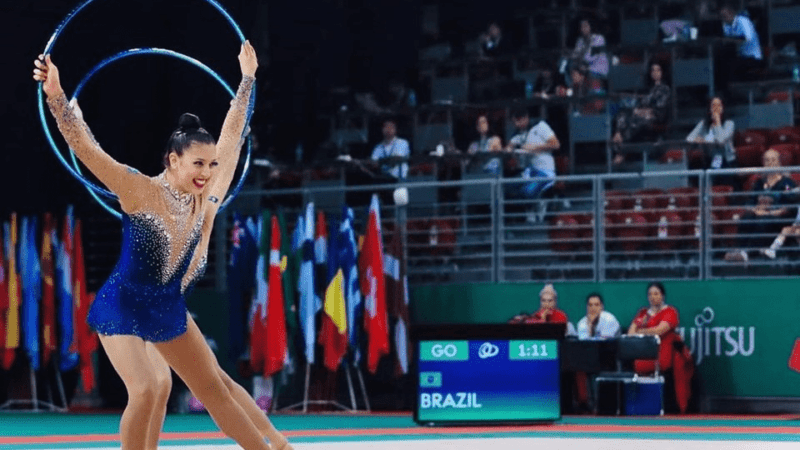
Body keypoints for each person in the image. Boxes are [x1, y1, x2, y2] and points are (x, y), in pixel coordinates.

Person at [34, 44, 292, 450]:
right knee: (148, 388)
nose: (207, 173)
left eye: (211, 166)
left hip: (166, 305)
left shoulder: (205, 199)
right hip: (122, 303)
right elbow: (87, 151)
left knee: (215, 391)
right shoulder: (140, 191)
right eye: (197, 165)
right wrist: (56, 96)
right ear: (172, 160)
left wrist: (246, 80)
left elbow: (232, 136)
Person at [628, 282, 693, 413]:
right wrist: (642, 330)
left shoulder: (670, 311)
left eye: (656, 293)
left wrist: (641, 331)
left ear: (662, 296)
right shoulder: (643, 313)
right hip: (642, 355)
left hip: (663, 355)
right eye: (650, 294)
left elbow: (660, 330)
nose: (653, 297)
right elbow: (630, 333)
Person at [725, 149, 798, 262]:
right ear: (763, 163)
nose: (770, 163)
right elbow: (750, 201)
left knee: (764, 220)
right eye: (767, 160)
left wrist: (770, 211)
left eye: (773, 160)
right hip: (760, 214)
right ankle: (738, 250)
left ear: (779, 162)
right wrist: (754, 209)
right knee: (747, 218)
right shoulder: (759, 183)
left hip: (779, 218)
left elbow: (790, 203)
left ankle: (747, 253)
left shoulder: (786, 183)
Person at [612, 62, 671, 164]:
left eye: (658, 70)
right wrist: (638, 111)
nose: (655, 73)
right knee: (622, 113)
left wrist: (640, 111)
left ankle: (621, 151)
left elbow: (658, 110)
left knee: (635, 122)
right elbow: (638, 105)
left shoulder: (665, 89)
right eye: (653, 70)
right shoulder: (647, 89)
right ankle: (619, 134)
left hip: (655, 118)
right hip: (641, 114)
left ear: (662, 72)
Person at [506, 107, 560, 199]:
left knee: (527, 192)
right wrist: (510, 150)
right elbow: (508, 147)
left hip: (545, 171)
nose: (517, 124)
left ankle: (541, 205)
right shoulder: (517, 133)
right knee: (508, 187)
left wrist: (534, 147)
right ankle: (528, 209)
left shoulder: (540, 126)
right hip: (530, 170)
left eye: (519, 121)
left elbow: (556, 144)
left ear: (526, 118)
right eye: (514, 122)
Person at [686, 96, 736, 169]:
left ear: (723, 108)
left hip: (726, 160)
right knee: (694, 165)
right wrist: (698, 140)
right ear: (709, 109)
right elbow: (689, 138)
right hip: (709, 158)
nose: (716, 109)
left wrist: (717, 123)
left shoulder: (729, 124)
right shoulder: (704, 123)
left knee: (716, 162)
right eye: (713, 106)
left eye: (718, 105)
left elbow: (721, 141)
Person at [570, 18, 609, 83]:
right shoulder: (580, 40)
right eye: (581, 27)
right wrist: (571, 57)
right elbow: (576, 54)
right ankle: (572, 88)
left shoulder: (599, 39)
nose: (583, 29)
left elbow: (592, 57)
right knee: (570, 66)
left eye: (585, 26)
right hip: (584, 67)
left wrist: (581, 62)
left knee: (579, 71)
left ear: (591, 27)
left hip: (598, 68)